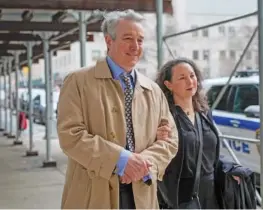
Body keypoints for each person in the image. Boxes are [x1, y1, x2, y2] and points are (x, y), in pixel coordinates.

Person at [57, 9, 178, 209]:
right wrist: (121, 160)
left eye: (140, 40)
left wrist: (141, 164)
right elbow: (70, 136)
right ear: (108, 41)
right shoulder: (78, 82)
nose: (135, 46)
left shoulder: (153, 90)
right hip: (93, 194)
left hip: (142, 191)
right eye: (128, 38)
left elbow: (171, 139)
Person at [155, 58, 240, 209]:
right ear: (168, 85)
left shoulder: (204, 113)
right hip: (180, 198)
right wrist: (157, 139)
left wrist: (230, 168)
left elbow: (208, 152)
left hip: (211, 195)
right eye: (182, 78)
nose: (190, 81)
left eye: (192, 76)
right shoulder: (164, 117)